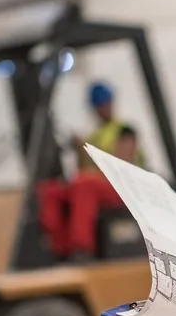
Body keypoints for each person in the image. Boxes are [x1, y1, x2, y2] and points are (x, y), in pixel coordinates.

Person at [37, 80, 145, 260]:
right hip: (98, 185)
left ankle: (82, 248)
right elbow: (83, 168)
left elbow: (121, 164)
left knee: (83, 184)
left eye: (106, 104)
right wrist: (79, 150)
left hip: (123, 186)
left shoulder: (124, 131)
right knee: (50, 190)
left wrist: (87, 151)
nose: (104, 109)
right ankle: (58, 248)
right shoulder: (94, 134)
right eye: (100, 106)